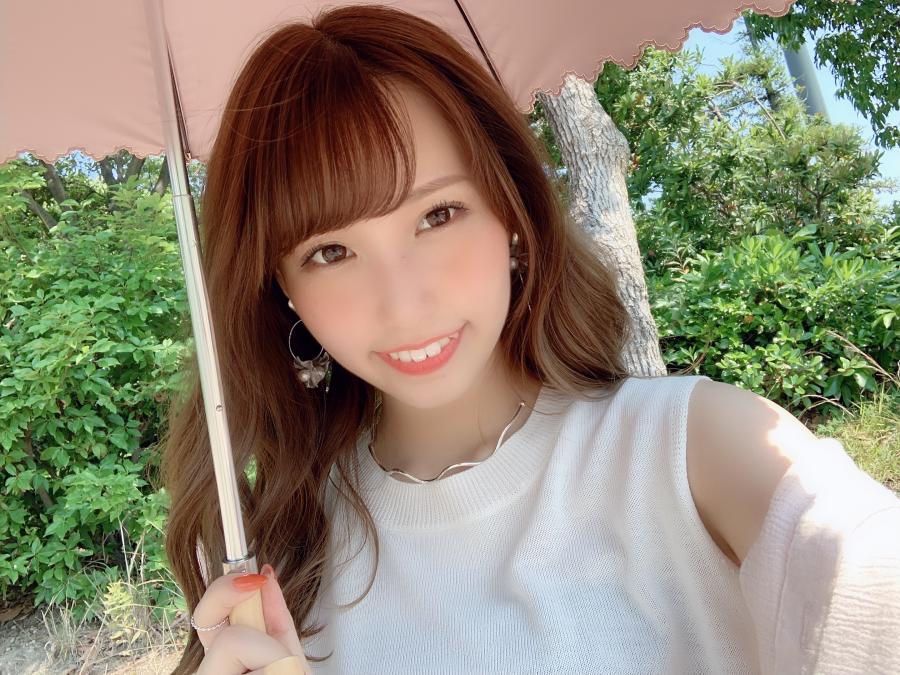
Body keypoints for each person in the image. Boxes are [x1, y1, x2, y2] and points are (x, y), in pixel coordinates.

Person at [160, 4, 900, 675]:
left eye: (438, 215)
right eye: (331, 252)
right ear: (283, 289)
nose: (404, 301)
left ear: (510, 209)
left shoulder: (691, 451)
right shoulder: (284, 564)